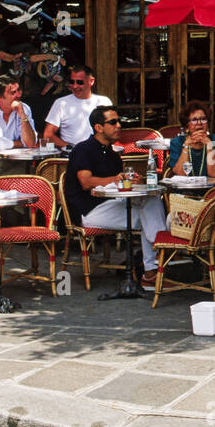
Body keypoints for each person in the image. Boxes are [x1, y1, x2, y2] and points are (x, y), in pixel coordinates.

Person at [64, 106, 163, 290]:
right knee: (148, 216)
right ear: (98, 127)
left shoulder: (112, 154)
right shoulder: (83, 149)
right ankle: (156, 263)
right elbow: (86, 182)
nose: (119, 126)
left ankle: (155, 263)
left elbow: (117, 185)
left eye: (119, 121)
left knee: (152, 200)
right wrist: (116, 179)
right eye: (113, 122)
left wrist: (131, 181)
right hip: (88, 210)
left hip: (109, 203)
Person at [42, 65, 111, 149]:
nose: (75, 86)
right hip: (72, 153)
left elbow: (112, 130)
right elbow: (48, 135)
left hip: (99, 151)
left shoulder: (104, 102)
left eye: (80, 82)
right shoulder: (61, 103)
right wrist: (71, 148)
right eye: (72, 82)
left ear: (91, 81)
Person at [167, 101, 215, 177]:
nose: (199, 123)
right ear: (187, 124)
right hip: (184, 184)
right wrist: (186, 145)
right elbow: (181, 174)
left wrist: (209, 145)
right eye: (194, 120)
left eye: (203, 119)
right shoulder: (177, 142)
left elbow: (213, 174)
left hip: (210, 185)